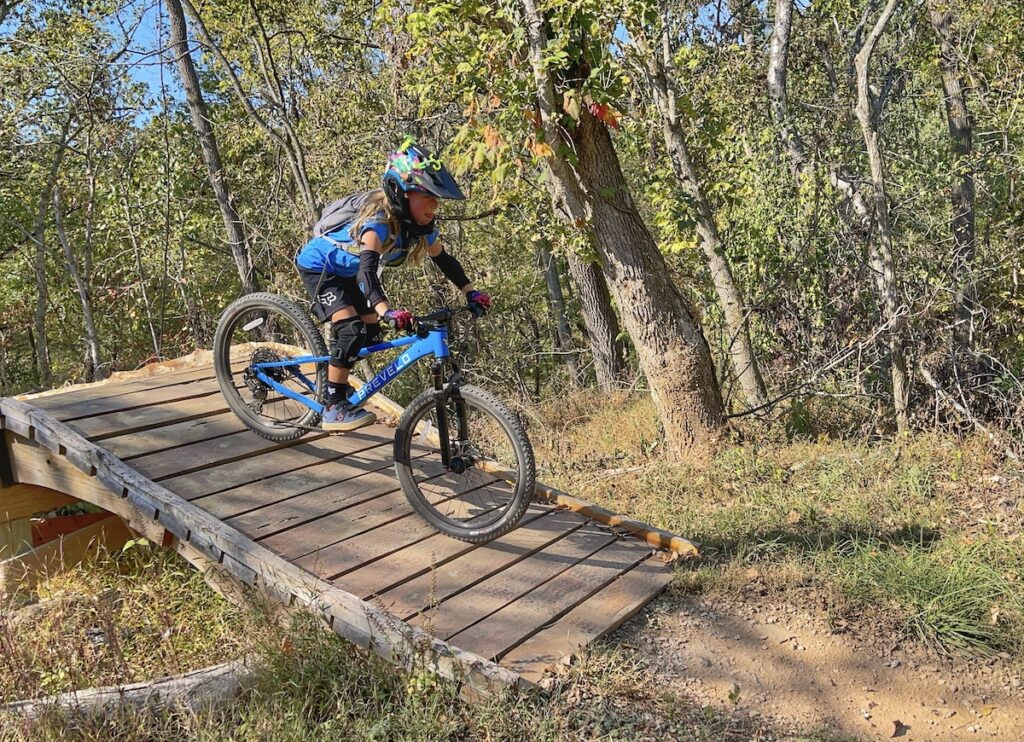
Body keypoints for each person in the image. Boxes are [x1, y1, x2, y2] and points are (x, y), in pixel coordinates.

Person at [295, 142, 491, 431]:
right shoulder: (378, 224)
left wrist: (471, 291)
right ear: (401, 193)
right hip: (320, 268)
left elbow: (444, 260)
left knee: (371, 334)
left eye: (436, 199)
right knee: (351, 330)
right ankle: (333, 404)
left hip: (350, 271)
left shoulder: (419, 226)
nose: (434, 206)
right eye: (427, 197)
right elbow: (367, 274)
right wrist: (386, 310)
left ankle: (340, 373)